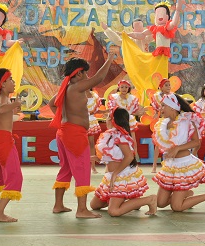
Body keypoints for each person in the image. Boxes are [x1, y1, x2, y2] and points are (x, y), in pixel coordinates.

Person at [48, 54, 115, 218]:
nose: (87, 77)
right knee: (82, 170)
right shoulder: (76, 87)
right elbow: (98, 78)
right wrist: (109, 59)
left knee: (66, 169)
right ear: (78, 74)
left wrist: (64, 118)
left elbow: (51, 104)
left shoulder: (66, 87)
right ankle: (82, 210)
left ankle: (58, 205)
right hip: (74, 133)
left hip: (63, 131)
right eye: (85, 73)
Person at [152, 93, 205, 212]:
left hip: (184, 165)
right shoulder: (163, 124)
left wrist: (178, 148)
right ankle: (186, 193)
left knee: (177, 207)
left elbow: (196, 142)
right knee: (160, 203)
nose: (160, 109)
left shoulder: (187, 121)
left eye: (163, 106)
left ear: (172, 107)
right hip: (170, 165)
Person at [90, 107, 157, 217]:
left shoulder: (121, 136)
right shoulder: (109, 135)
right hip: (111, 175)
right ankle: (129, 200)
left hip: (121, 175)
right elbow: (114, 155)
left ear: (113, 120)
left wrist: (115, 173)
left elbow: (129, 157)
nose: (106, 120)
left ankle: (150, 200)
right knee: (94, 205)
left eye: (108, 117)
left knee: (114, 211)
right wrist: (97, 158)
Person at [0, 68, 24, 222]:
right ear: (2, 84)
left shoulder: (0, 98)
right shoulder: (2, 99)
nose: (14, 83)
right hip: (3, 142)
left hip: (0, 140)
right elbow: (1, 110)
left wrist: (14, 110)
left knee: (3, 176)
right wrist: (14, 105)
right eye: (11, 80)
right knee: (15, 177)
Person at [107, 79, 144, 161]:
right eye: (122, 87)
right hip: (118, 120)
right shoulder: (114, 98)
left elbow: (135, 111)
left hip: (129, 120)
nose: (124, 89)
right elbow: (111, 109)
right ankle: (116, 156)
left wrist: (140, 112)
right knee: (117, 138)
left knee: (132, 138)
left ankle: (135, 155)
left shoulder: (132, 99)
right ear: (119, 88)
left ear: (129, 88)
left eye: (126, 87)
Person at [150, 78, 172, 173]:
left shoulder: (172, 96)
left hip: (170, 121)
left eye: (169, 85)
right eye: (166, 85)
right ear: (161, 87)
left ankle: (169, 164)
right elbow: (156, 108)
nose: (168, 87)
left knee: (170, 142)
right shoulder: (156, 97)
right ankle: (154, 165)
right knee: (158, 144)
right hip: (162, 121)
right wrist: (155, 112)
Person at [86, 89, 102, 174]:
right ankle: (81, 165)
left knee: (91, 143)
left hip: (91, 120)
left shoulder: (94, 95)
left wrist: (105, 112)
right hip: (80, 120)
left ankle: (93, 166)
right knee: (81, 144)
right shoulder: (78, 93)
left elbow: (96, 110)